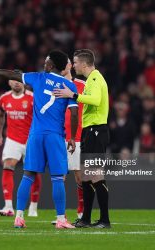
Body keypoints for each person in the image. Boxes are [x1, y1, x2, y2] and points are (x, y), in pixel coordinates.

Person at [0, 50, 79, 229]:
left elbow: (12, 74)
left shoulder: (37, 78)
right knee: (57, 178)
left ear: (51, 65)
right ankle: (61, 219)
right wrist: (72, 137)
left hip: (35, 135)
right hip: (54, 136)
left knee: (28, 175)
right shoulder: (69, 86)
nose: (44, 62)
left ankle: (19, 217)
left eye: (46, 60)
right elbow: (74, 113)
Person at [53, 49, 111, 228]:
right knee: (86, 177)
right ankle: (86, 218)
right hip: (89, 130)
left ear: (84, 64)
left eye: (76, 62)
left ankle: (104, 220)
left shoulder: (95, 78)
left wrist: (73, 95)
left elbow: (95, 99)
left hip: (96, 130)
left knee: (96, 176)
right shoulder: (91, 79)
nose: (74, 65)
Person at [0, 79, 42, 217]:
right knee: (8, 165)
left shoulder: (32, 97)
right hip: (13, 139)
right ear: (9, 83)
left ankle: (33, 207)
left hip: (31, 139)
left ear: (24, 82)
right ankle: (8, 206)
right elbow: (0, 114)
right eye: (13, 80)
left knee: (33, 170)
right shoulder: (4, 98)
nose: (16, 83)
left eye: (19, 80)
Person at [62, 60, 85, 219]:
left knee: (79, 176)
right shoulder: (54, 85)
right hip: (59, 136)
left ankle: (81, 211)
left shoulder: (83, 85)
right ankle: (60, 215)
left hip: (78, 136)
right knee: (59, 176)